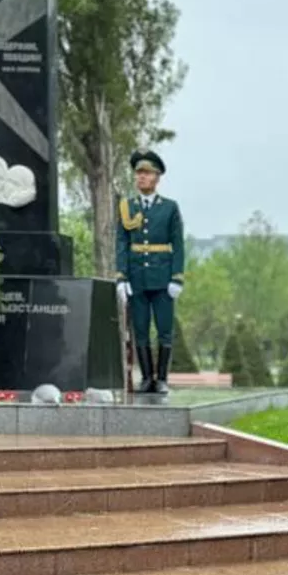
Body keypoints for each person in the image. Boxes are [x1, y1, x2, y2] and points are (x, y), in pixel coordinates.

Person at [114, 150, 185, 394]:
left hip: (163, 279)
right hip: (137, 279)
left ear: (157, 177)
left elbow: (178, 244)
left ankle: (162, 379)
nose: (141, 177)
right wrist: (121, 277)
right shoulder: (128, 207)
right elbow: (122, 243)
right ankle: (146, 378)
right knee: (141, 330)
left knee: (164, 330)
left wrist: (177, 277)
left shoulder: (170, 208)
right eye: (138, 173)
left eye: (146, 173)